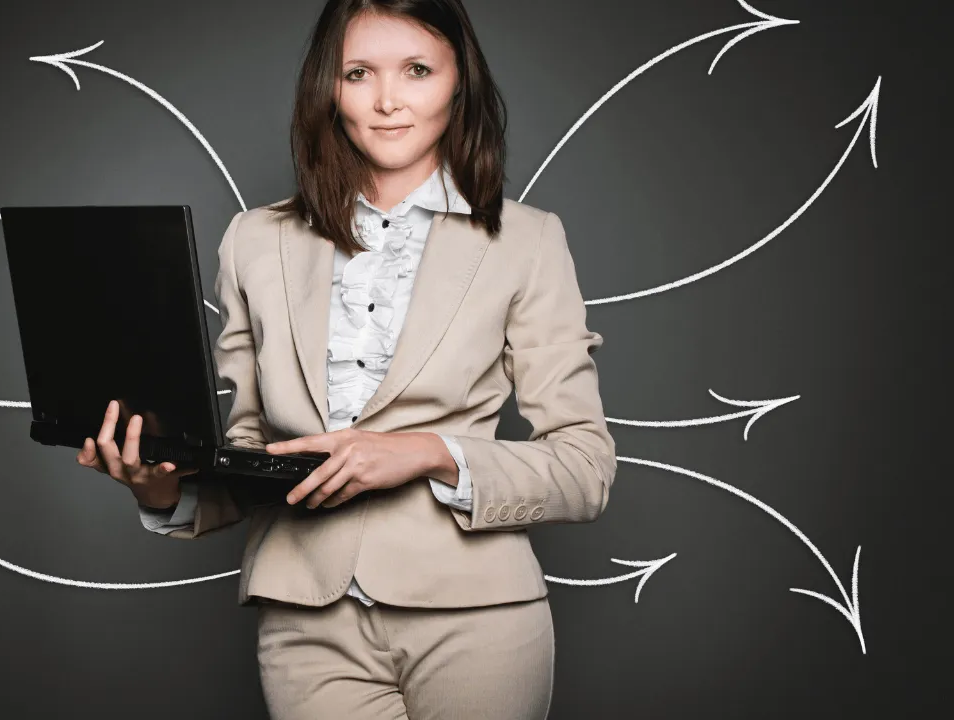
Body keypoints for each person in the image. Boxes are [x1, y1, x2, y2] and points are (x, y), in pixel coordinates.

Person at [76, 1, 616, 717]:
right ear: (328, 89)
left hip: (477, 615)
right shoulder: (252, 241)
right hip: (304, 619)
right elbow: (251, 458)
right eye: (358, 73)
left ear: (460, 84)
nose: (388, 101)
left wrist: (425, 453)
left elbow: (585, 468)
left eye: (417, 70)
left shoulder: (527, 241)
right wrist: (157, 488)